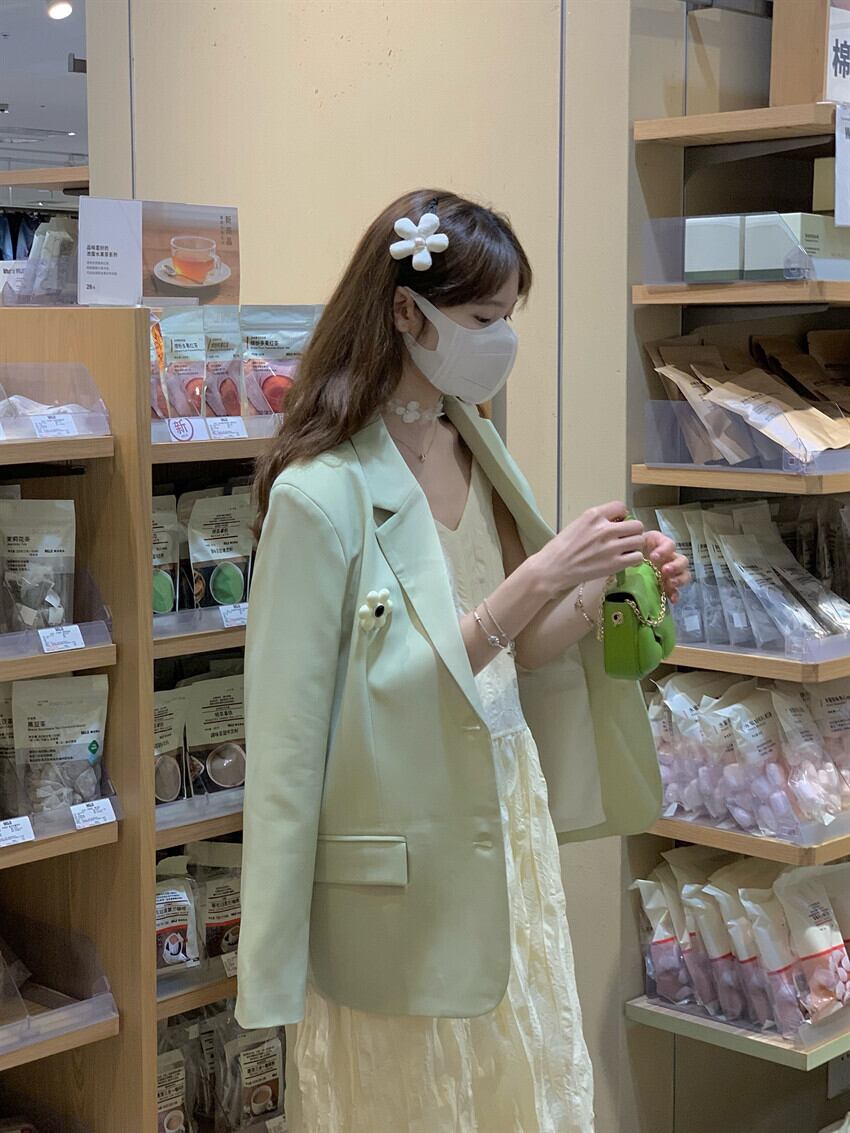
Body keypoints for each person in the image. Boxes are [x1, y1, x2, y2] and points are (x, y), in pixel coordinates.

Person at [236, 189, 690, 1133]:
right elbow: (296, 740)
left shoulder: (472, 441)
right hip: (399, 846)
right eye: (483, 319)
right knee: (414, 1099)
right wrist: (542, 576)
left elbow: (511, 653)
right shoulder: (319, 495)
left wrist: (607, 587)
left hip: (503, 810)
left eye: (509, 317)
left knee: (518, 1087)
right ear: (407, 312)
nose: (501, 341)